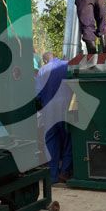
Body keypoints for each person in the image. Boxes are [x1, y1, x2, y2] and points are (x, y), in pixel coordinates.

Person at [35, 51, 72, 183]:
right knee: (68, 139)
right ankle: (65, 172)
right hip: (67, 107)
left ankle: (52, 175)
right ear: (55, 56)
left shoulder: (42, 71)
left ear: (45, 61)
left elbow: (37, 94)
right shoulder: (67, 64)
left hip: (49, 109)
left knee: (51, 141)